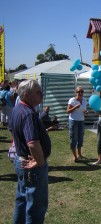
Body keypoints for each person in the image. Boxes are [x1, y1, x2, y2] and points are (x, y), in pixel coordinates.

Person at [8, 80, 51, 223]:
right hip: (31, 167)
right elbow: (32, 143)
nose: (42, 95)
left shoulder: (17, 109)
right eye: (38, 92)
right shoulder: (28, 114)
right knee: (35, 208)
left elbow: (12, 131)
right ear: (26, 94)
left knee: (21, 200)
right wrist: (39, 161)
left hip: (21, 162)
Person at [67, 86, 88, 162]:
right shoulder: (72, 100)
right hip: (73, 121)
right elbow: (68, 111)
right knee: (73, 138)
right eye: (79, 92)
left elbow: (85, 110)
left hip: (81, 121)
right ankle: (75, 156)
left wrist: (86, 112)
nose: (81, 93)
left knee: (80, 138)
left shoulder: (84, 100)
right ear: (76, 92)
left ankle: (79, 154)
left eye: (82, 91)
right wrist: (75, 107)